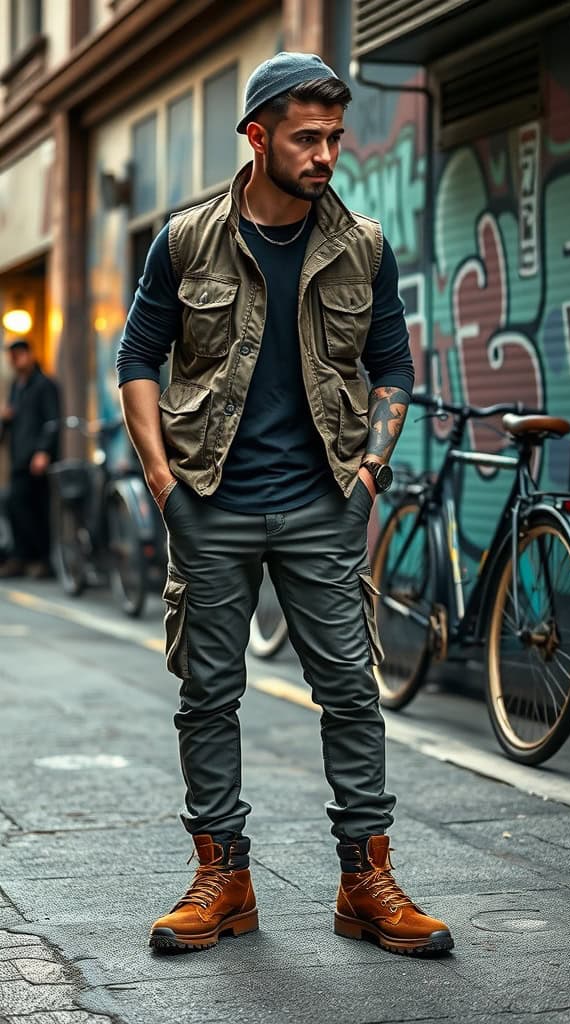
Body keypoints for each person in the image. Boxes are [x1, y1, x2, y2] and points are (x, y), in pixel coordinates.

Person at [117, 51, 454, 958]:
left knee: (350, 692)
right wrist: (162, 482)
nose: (327, 154)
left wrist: (370, 477)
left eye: (335, 137)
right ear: (259, 138)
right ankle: (222, 879)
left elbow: (393, 366)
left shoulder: (362, 246)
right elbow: (136, 360)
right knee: (207, 695)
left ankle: (365, 880)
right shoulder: (187, 239)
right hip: (213, 503)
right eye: (308, 137)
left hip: (323, 504)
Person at [0, 339, 59, 578]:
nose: (15, 360)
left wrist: (44, 451)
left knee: (37, 510)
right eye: (12, 356)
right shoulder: (17, 386)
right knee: (15, 506)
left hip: (36, 459)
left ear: (30, 355)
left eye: (19, 355)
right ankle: (21, 556)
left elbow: (52, 422)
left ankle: (42, 560)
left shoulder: (44, 385)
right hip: (18, 457)